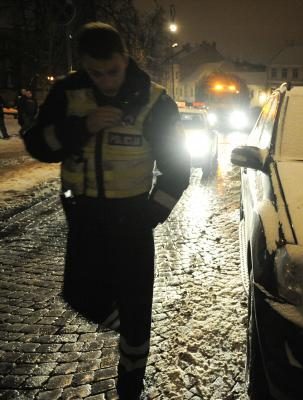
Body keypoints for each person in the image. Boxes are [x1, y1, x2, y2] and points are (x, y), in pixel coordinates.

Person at [23, 22, 190, 399]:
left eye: (112, 70)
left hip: (132, 217)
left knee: (136, 311)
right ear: (84, 66)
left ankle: (130, 385)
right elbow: (37, 144)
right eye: (95, 73)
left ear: (124, 59)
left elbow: (178, 169)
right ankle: (125, 324)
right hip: (83, 214)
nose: (106, 81)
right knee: (78, 294)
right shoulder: (69, 92)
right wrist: (79, 128)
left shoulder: (154, 100)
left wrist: (150, 215)